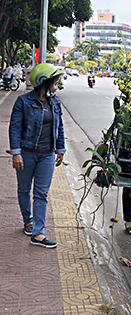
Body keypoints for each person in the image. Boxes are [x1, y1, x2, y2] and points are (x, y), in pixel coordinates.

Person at [8, 63, 66, 248]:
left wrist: (60, 150)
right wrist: (16, 153)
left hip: (47, 155)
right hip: (26, 154)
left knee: (41, 194)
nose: (57, 87)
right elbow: (15, 128)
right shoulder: (23, 102)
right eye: (55, 83)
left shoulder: (55, 102)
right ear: (44, 83)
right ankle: (28, 221)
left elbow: (60, 128)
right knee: (24, 189)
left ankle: (38, 234)